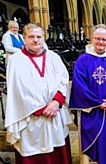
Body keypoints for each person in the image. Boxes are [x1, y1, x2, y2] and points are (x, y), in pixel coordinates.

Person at [5, 23, 72, 164]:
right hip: (31, 119)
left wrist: (56, 102)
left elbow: (63, 80)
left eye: (39, 36)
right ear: (24, 38)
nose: (35, 40)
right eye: (31, 37)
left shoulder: (53, 57)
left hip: (55, 114)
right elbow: (17, 90)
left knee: (57, 153)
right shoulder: (16, 60)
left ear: (44, 38)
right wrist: (42, 109)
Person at [69, 24, 106, 164]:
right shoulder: (83, 60)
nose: (101, 42)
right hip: (91, 111)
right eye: (98, 39)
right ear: (92, 39)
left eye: (104, 39)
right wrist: (97, 102)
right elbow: (79, 85)